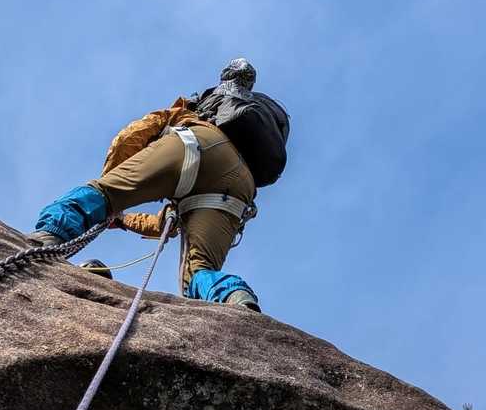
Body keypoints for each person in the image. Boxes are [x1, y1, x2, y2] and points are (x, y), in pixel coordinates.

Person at [28, 58, 290, 312]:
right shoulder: (241, 142)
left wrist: (112, 191)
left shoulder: (187, 109)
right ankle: (234, 296)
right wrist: (123, 220)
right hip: (239, 184)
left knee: (102, 193)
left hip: (195, 141)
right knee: (199, 269)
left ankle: (49, 237)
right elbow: (165, 223)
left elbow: (130, 136)